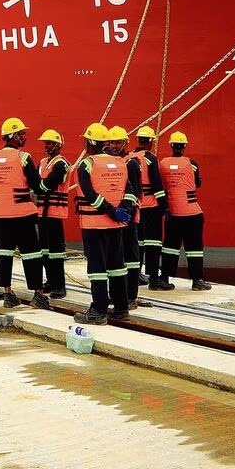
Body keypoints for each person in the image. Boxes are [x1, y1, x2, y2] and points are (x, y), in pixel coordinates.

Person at [73, 122, 138, 324]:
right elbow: (131, 191)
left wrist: (111, 211)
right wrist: (123, 212)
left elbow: (90, 195)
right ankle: (121, 307)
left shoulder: (87, 164)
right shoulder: (120, 162)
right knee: (117, 266)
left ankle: (98, 310)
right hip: (116, 226)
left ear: (90, 142)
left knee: (97, 269)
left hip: (95, 225)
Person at [0, 117, 51, 309]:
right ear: (12, 136)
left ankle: (7, 294)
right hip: (22, 214)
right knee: (32, 254)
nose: (24, 137)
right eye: (21, 134)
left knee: (4, 253)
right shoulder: (24, 157)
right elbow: (37, 185)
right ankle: (38, 295)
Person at [160, 131, 209, 289]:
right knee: (194, 248)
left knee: (170, 247)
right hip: (192, 213)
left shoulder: (163, 163)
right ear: (185, 146)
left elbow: (160, 183)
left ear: (171, 145)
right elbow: (197, 183)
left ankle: (164, 278)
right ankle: (197, 281)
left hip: (172, 213)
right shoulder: (192, 163)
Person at [106, 126, 144, 309]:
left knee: (131, 257)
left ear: (126, 143)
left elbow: (133, 193)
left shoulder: (131, 164)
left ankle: (131, 296)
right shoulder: (111, 163)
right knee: (117, 259)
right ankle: (117, 294)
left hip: (128, 218)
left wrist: (125, 213)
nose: (114, 145)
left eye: (118, 142)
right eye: (111, 142)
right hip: (115, 218)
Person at [129, 127, 171, 290]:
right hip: (152, 207)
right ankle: (154, 279)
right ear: (152, 142)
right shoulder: (151, 159)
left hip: (136, 207)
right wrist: (165, 207)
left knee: (137, 243)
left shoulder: (129, 157)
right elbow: (157, 186)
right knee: (153, 243)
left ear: (138, 140)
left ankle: (136, 275)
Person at [35, 129, 71, 299]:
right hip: (42, 213)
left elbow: (48, 183)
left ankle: (59, 286)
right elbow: (37, 181)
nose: (46, 146)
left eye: (49, 143)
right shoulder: (43, 162)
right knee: (45, 250)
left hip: (55, 213)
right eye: (45, 143)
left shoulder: (61, 164)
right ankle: (50, 281)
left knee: (56, 251)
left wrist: (38, 186)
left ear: (58, 145)